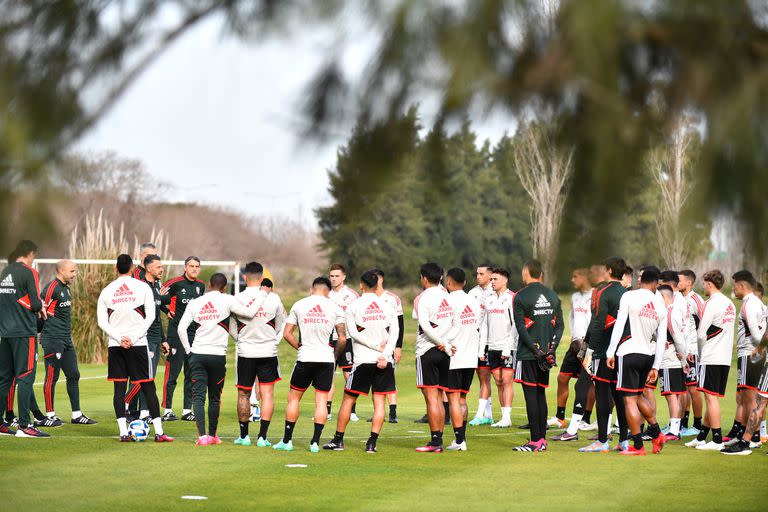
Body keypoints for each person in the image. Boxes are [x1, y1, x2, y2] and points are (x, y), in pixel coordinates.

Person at [177, 272, 262, 445]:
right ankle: (214, 436)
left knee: (198, 397)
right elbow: (249, 313)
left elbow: (181, 329)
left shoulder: (196, 302)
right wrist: (262, 295)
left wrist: (188, 350)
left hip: (198, 354)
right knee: (215, 397)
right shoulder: (228, 300)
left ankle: (202, 437)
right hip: (217, 357)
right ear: (224, 287)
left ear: (209, 284)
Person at [97, 254, 173, 442]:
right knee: (148, 388)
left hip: (116, 346)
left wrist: (120, 338)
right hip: (138, 345)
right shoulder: (142, 287)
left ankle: (123, 433)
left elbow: (101, 322)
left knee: (119, 390)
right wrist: (133, 337)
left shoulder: (106, 291)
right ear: (132, 269)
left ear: (116, 268)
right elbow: (150, 317)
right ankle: (159, 433)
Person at [323, 270, 399, 453]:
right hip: (384, 361)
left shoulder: (354, 306)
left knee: (348, 400)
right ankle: (372, 444)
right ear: (377, 284)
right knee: (379, 402)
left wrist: (375, 348)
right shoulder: (388, 305)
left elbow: (354, 334)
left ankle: (338, 440)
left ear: (361, 285)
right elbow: (395, 333)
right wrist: (385, 354)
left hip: (363, 361)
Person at [274, 277, 346, 453]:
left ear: (312, 289)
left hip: (305, 357)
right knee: (321, 401)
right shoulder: (335, 308)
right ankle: (314, 443)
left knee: (294, 398)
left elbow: (287, 333)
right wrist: (334, 356)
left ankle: (287, 441)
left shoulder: (299, 304)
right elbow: (342, 338)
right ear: (328, 291)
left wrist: (299, 346)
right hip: (326, 359)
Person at [606, 268, 667, 455]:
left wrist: (610, 351)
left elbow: (619, 325)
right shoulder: (660, 305)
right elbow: (662, 339)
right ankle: (657, 433)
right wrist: (656, 365)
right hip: (647, 356)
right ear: (656, 284)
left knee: (629, 401)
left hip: (628, 352)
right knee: (639, 395)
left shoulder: (629, 296)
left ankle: (638, 446)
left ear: (641, 281)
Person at [230, 262, 285, 447]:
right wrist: (270, 337)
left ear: (244, 277)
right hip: (268, 351)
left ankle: (244, 437)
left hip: (246, 352)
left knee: (244, 393)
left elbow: (231, 326)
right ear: (262, 278)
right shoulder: (274, 298)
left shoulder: (237, 298)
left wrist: (241, 339)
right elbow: (280, 324)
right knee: (268, 394)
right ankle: (263, 437)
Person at [511, 259, 563, 452]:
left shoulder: (520, 296)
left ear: (526, 273)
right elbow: (559, 325)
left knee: (531, 396)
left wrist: (535, 350)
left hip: (528, 355)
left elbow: (521, 328)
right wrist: (551, 348)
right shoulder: (552, 295)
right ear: (541, 274)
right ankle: (541, 439)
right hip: (547, 356)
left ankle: (535, 441)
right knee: (540, 394)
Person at [0, 240, 49, 437]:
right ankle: (24, 425)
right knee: (25, 378)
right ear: (30, 253)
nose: (33, 260)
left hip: (5, 333)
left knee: (4, 379)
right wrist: (42, 306)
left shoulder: (5, 272)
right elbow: (36, 304)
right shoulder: (29, 272)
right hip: (24, 333)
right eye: (34, 256)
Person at [38, 260, 96, 426]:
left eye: (75, 271)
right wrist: (41, 334)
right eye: (72, 271)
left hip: (65, 339)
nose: (74, 274)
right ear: (61, 271)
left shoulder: (66, 289)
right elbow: (40, 312)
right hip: (53, 339)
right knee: (52, 376)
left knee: (74, 375)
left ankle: (76, 415)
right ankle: (49, 415)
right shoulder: (51, 288)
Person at [579, 257, 627, 453]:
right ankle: (623, 440)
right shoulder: (627, 293)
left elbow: (597, 324)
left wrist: (589, 350)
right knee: (620, 396)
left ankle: (602, 440)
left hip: (603, 352)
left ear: (608, 271)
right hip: (622, 353)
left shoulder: (602, 292)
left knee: (601, 394)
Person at [684, 270, 736, 451]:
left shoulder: (711, 303)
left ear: (709, 284)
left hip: (711, 356)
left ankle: (716, 439)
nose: (703, 286)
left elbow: (700, 333)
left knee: (710, 398)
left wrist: (699, 351)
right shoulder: (730, 303)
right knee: (711, 397)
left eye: (704, 283)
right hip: (725, 357)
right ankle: (701, 436)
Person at [413, 262, 454, 452]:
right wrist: (446, 343)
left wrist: (441, 343)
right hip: (444, 352)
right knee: (439, 397)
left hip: (427, 350)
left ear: (424, 278)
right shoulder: (447, 295)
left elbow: (425, 326)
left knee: (431, 399)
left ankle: (435, 441)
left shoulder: (423, 298)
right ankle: (439, 440)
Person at [722, 270, 766, 446]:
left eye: (734, 286)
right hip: (754, 355)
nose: (733, 290)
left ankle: (752, 439)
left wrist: (759, 348)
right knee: (751, 398)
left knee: (749, 399)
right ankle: (750, 436)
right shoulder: (758, 303)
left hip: (749, 354)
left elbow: (756, 336)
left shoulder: (749, 304)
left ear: (741, 286)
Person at [161, 256, 205, 421]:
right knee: (172, 374)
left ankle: (187, 410)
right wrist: (167, 311)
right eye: (191, 266)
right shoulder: (174, 283)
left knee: (191, 373)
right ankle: (167, 409)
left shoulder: (201, 286)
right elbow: (157, 299)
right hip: (176, 335)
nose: (194, 269)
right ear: (185, 267)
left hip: (194, 336)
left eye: (197, 266)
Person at [126, 254, 170, 422]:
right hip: (142, 338)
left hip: (154, 338)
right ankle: (126, 406)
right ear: (148, 268)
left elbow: (157, 317)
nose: (162, 269)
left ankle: (144, 412)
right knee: (143, 376)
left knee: (149, 376)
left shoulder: (157, 285)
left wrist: (163, 339)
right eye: (159, 267)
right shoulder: (139, 287)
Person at [551, 268, 593, 440]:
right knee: (562, 377)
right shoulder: (575, 297)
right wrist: (574, 337)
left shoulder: (595, 295)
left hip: (589, 346)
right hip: (575, 345)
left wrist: (586, 340)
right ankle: (560, 417)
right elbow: (572, 318)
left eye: (575, 276)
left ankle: (583, 421)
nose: (572, 279)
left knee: (586, 384)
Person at [442, 267, 481, 451]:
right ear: (465, 282)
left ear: (448, 282)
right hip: (471, 356)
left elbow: (444, 328)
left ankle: (459, 441)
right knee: (462, 399)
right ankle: (462, 438)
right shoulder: (473, 301)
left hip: (454, 356)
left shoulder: (447, 301)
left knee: (453, 399)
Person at [479, 268, 517, 428]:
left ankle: (507, 418)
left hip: (508, 347)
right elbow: (485, 325)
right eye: (492, 279)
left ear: (505, 280)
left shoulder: (512, 298)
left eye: (495, 279)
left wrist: (508, 348)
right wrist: (482, 349)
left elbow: (516, 325)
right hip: (492, 347)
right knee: (499, 381)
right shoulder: (489, 299)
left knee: (507, 381)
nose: (492, 282)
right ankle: (503, 417)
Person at [327, 264, 360, 421]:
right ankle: (326, 411)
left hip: (346, 339)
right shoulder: (325, 294)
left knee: (349, 374)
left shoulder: (352, 295)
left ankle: (352, 410)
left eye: (337, 276)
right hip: (328, 339)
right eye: (331, 276)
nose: (334, 279)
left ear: (344, 277)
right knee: (328, 374)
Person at [371, 268, 404, 423]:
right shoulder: (366, 298)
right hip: (372, 345)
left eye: (376, 278)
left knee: (390, 378)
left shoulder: (392, 298)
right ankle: (378, 412)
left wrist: (398, 346)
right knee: (374, 378)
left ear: (381, 279)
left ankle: (392, 412)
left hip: (389, 345)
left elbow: (400, 324)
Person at [656, 282, 688, 442]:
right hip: (674, 359)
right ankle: (675, 427)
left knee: (671, 396)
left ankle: (674, 431)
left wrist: (683, 358)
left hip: (670, 360)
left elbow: (678, 338)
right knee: (674, 395)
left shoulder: (669, 314)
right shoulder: (675, 312)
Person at [678, 269, 705, 436]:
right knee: (684, 388)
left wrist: (699, 349)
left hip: (693, 351)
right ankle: (683, 422)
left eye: (679, 280)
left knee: (693, 389)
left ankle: (698, 424)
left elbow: (704, 325)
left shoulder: (696, 299)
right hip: (683, 351)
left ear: (689, 282)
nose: (677, 282)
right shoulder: (680, 299)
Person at [468, 264, 495, 426]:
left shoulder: (495, 292)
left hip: (489, 340)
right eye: (477, 273)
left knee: (486, 377)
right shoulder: (472, 293)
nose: (478, 276)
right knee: (482, 377)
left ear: (490, 276)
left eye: (481, 273)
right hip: (474, 339)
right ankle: (489, 415)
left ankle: (480, 414)